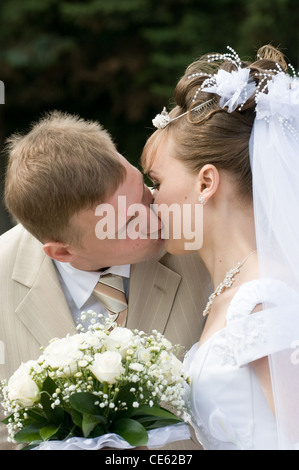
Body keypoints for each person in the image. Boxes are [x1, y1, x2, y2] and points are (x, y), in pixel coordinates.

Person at [0, 111, 212, 450]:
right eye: (128, 223)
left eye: (144, 192)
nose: (155, 218)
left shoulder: (202, 245)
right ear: (63, 252)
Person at [142, 45, 299, 450]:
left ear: (206, 182)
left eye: (157, 182)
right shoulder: (230, 292)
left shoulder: (265, 298)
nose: (149, 199)